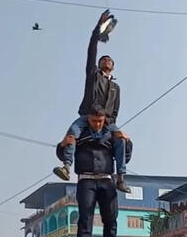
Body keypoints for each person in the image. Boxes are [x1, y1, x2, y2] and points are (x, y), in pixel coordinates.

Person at [53, 10, 131, 193]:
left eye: (110, 59)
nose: (106, 60)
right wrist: (98, 27)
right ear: (98, 64)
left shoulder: (116, 88)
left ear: (113, 66)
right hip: (87, 117)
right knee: (72, 132)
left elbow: (115, 110)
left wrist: (113, 128)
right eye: (103, 58)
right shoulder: (93, 76)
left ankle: (120, 177)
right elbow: (91, 50)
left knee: (122, 140)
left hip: (107, 122)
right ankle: (66, 166)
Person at [56, 105, 133, 237]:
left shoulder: (111, 134)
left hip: (107, 180)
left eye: (99, 121)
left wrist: (128, 141)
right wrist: (62, 145)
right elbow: (62, 153)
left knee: (111, 218)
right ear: (88, 119)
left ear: (104, 120)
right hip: (86, 181)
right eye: (93, 121)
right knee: (85, 218)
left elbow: (125, 156)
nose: (97, 124)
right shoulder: (79, 132)